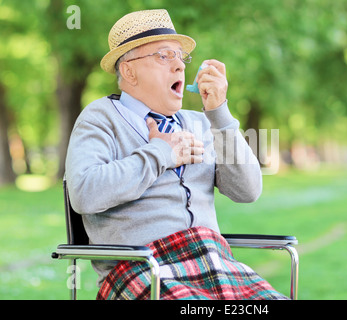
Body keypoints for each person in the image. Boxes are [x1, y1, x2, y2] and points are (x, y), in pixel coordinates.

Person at [65, 9, 287, 300]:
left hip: (215, 262)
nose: (179, 66)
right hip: (141, 268)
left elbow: (248, 190)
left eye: (180, 57)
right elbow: (84, 192)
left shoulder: (200, 122)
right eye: (163, 56)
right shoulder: (100, 118)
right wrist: (161, 153)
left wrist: (219, 114)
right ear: (129, 70)